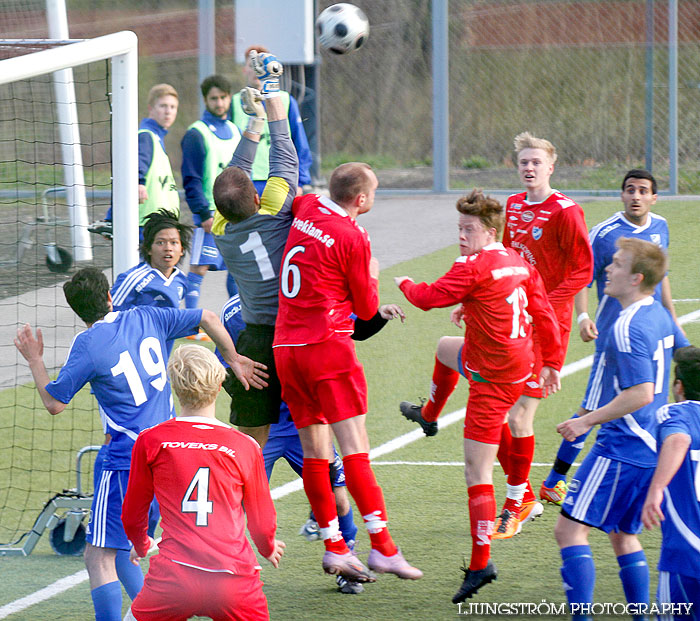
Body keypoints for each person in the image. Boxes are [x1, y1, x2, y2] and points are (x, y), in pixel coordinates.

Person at [13, 267, 267, 621]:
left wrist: (36, 361)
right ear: (109, 296)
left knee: (98, 556)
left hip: (124, 461)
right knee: (130, 550)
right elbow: (208, 316)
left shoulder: (87, 345)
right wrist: (232, 358)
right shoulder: (147, 316)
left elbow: (55, 403)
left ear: (77, 310)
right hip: (169, 457)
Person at [394, 189, 562, 602]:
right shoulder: (516, 261)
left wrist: (403, 282)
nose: (462, 235)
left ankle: (482, 561)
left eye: (468, 229)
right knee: (445, 348)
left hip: (492, 379)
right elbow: (540, 312)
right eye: (459, 228)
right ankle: (430, 414)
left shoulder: (474, 264)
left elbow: (428, 297)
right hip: (515, 362)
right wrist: (552, 361)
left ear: (490, 232)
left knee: (476, 473)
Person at [273, 160, 422, 583]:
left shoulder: (308, 208)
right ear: (361, 199)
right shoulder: (353, 236)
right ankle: (383, 548)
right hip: (326, 347)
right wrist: (373, 273)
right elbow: (367, 309)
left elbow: (297, 197)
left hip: (287, 348)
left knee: (316, 454)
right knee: (354, 449)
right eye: (373, 191)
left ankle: (335, 548)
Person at [217, 292, 405, 594]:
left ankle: (348, 562)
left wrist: (379, 315)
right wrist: (245, 387)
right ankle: (230, 572)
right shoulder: (233, 311)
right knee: (238, 501)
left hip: (302, 422)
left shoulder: (308, 295)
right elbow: (222, 364)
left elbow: (351, 328)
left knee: (337, 494)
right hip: (261, 425)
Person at [554, 238, 689, 620]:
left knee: (568, 532)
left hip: (622, 447)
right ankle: (640, 617)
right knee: (622, 535)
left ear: (636, 278)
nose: (607, 270)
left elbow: (641, 393)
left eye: (616, 264)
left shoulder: (626, 327)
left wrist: (585, 420)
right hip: (652, 446)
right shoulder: (659, 313)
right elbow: (682, 355)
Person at [541, 169, 682, 505]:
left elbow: (661, 278)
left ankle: (655, 472)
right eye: (630, 190)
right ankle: (554, 479)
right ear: (622, 195)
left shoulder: (660, 227)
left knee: (652, 398)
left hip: (649, 328)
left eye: (643, 191)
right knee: (595, 405)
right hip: (615, 336)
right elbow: (582, 276)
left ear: (653, 198)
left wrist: (673, 322)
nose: (636, 196)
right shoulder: (604, 234)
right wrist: (584, 317)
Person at [121, 345, 284, 621]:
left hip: (174, 578)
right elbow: (261, 519)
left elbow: (132, 512)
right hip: (232, 579)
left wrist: (140, 542)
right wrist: (268, 546)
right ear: (220, 385)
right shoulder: (245, 445)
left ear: (173, 387)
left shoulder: (151, 440)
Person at [493, 131, 593, 537]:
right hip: (513, 321)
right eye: (523, 162)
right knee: (495, 411)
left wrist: (544, 304)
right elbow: (502, 257)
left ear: (551, 167)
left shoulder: (567, 211)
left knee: (518, 415)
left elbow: (582, 270)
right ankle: (527, 495)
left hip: (548, 325)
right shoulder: (513, 206)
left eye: (537, 162)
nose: (529, 168)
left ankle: (516, 502)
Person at [213, 50, 297, 449]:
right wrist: (272, 95)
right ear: (256, 192)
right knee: (316, 435)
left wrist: (253, 121)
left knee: (250, 441)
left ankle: (239, 506)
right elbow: (285, 156)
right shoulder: (277, 208)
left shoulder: (220, 230)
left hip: (257, 341)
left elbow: (234, 175)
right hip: (298, 334)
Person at [642, 346, 700, 619]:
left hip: (687, 557)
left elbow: (679, 439)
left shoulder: (674, 414)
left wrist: (655, 488)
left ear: (679, 386)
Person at [181, 75, 242, 309]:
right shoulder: (196, 133)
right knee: (199, 267)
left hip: (235, 215)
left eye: (223, 97)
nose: (219, 103)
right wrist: (203, 213)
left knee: (237, 268)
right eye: (213, 98)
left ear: (229, 98)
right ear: (205, 100)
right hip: (210, 215)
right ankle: (191, 322)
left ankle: (239, 317)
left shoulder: (235, 131)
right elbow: (191, 179)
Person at [89, 84, 181, 239]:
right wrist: (139, 182)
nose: (168, 111)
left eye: (172, 107)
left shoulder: (157, 138)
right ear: (151, 108)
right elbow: (133, 169)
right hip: (146, 224)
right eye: (163, 106)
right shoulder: (146, 136)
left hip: (159, 223)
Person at [229, 44, 312, 196]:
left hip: (280, 178)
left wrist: (300, 181)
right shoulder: (234, 102)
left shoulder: (285, 100)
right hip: (246, 180)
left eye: (261, 66)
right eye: (252, 65)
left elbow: (300, 143)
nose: (256, 70)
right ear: (244, 70)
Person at [111, 210, 191, 316]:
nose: (168, 248)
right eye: (160, 242)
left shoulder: (181, 280)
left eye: (174, 242)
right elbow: (109, 317)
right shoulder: (132, 279)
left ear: (182, 250)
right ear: (148, 249)